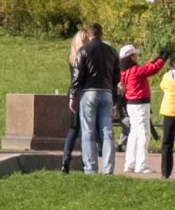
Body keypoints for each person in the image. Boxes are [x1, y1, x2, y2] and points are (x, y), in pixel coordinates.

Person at [69, 23, 120, 175]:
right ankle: (108, 168)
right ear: (101, 33)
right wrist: (114, 97)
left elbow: (77, 76)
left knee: (88, 131)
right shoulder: (112, 51)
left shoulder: (83, 50)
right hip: (106, 92)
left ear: (89, 35)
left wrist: (73, 95)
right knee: (107, 131)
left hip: (89, 92)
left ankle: (90, 168)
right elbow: (117, 76)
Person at [119, 45, 168, 174]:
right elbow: (151, 69)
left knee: (134, 134)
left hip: (131, 104)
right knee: (143, 134)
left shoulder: (125, 72)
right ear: (131, 57)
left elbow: (147, 67)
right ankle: (141, 165)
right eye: (135, 54)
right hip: (140, 105)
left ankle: (130, 164)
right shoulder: (135, 71)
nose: (137, 56)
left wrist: (157, 58)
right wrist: (162, 59)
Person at [60, 29, 89, 174]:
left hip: (72, 94)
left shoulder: (72, 57)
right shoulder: (84, 56)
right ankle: (86, 163)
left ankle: (65, 160)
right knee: (84, 130)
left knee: (73, 130)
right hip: (82, 94)